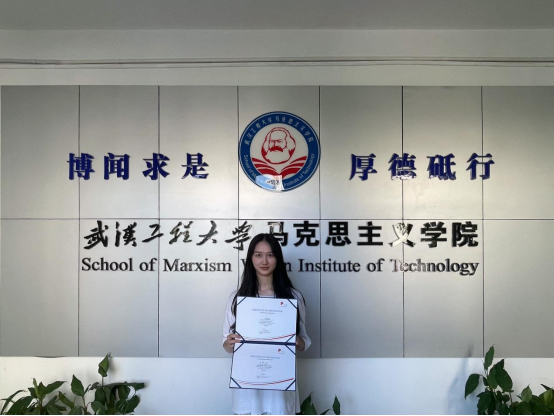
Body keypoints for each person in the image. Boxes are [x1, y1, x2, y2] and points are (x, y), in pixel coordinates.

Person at [223, 233, 311, 416]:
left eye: (270, 255)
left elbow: (305, 341)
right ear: (250, 259)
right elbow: (226, 343)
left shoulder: (293, 297)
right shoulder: (237, 298)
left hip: (280, 390)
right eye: (258, 255)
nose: (264, 261)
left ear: (278, 259)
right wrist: (229, 343)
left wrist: (297, 341)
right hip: (248, 390)